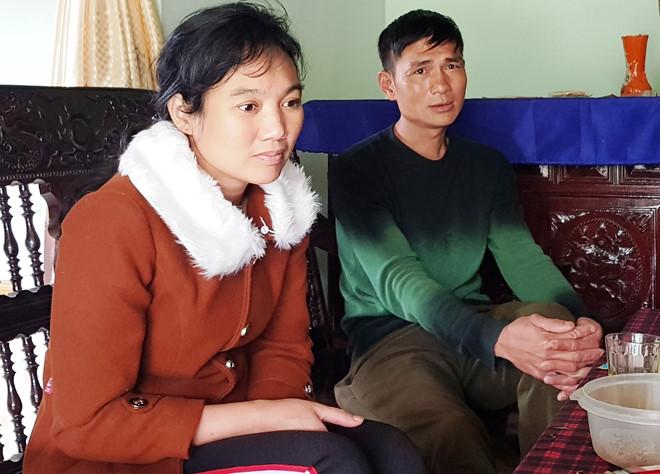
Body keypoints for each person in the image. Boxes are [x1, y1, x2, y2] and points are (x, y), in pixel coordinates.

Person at [23, 4, 425, 474]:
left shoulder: (280, 209)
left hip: (230, 428)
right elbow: (86, 423)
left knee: (394, 452)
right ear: (184, 113)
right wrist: (265, 420)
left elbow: (282, 349)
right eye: (248, 106)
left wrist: (278, 422)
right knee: (333, 460)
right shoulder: (112, 221)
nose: (278, 130)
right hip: (123, 455)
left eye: (290, 102)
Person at [330, 9, 604, 474]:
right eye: (420, 70)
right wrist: (496, 339)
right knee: (448, 430)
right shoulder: (358, 170)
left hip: (472, 328)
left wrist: (582, 324)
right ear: (388, 85)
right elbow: (399, 280)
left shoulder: (486, 166)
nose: (441, 84)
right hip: (393, 340)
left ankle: (549, 467)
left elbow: (521, 256)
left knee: (556, 332)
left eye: (451, 65)